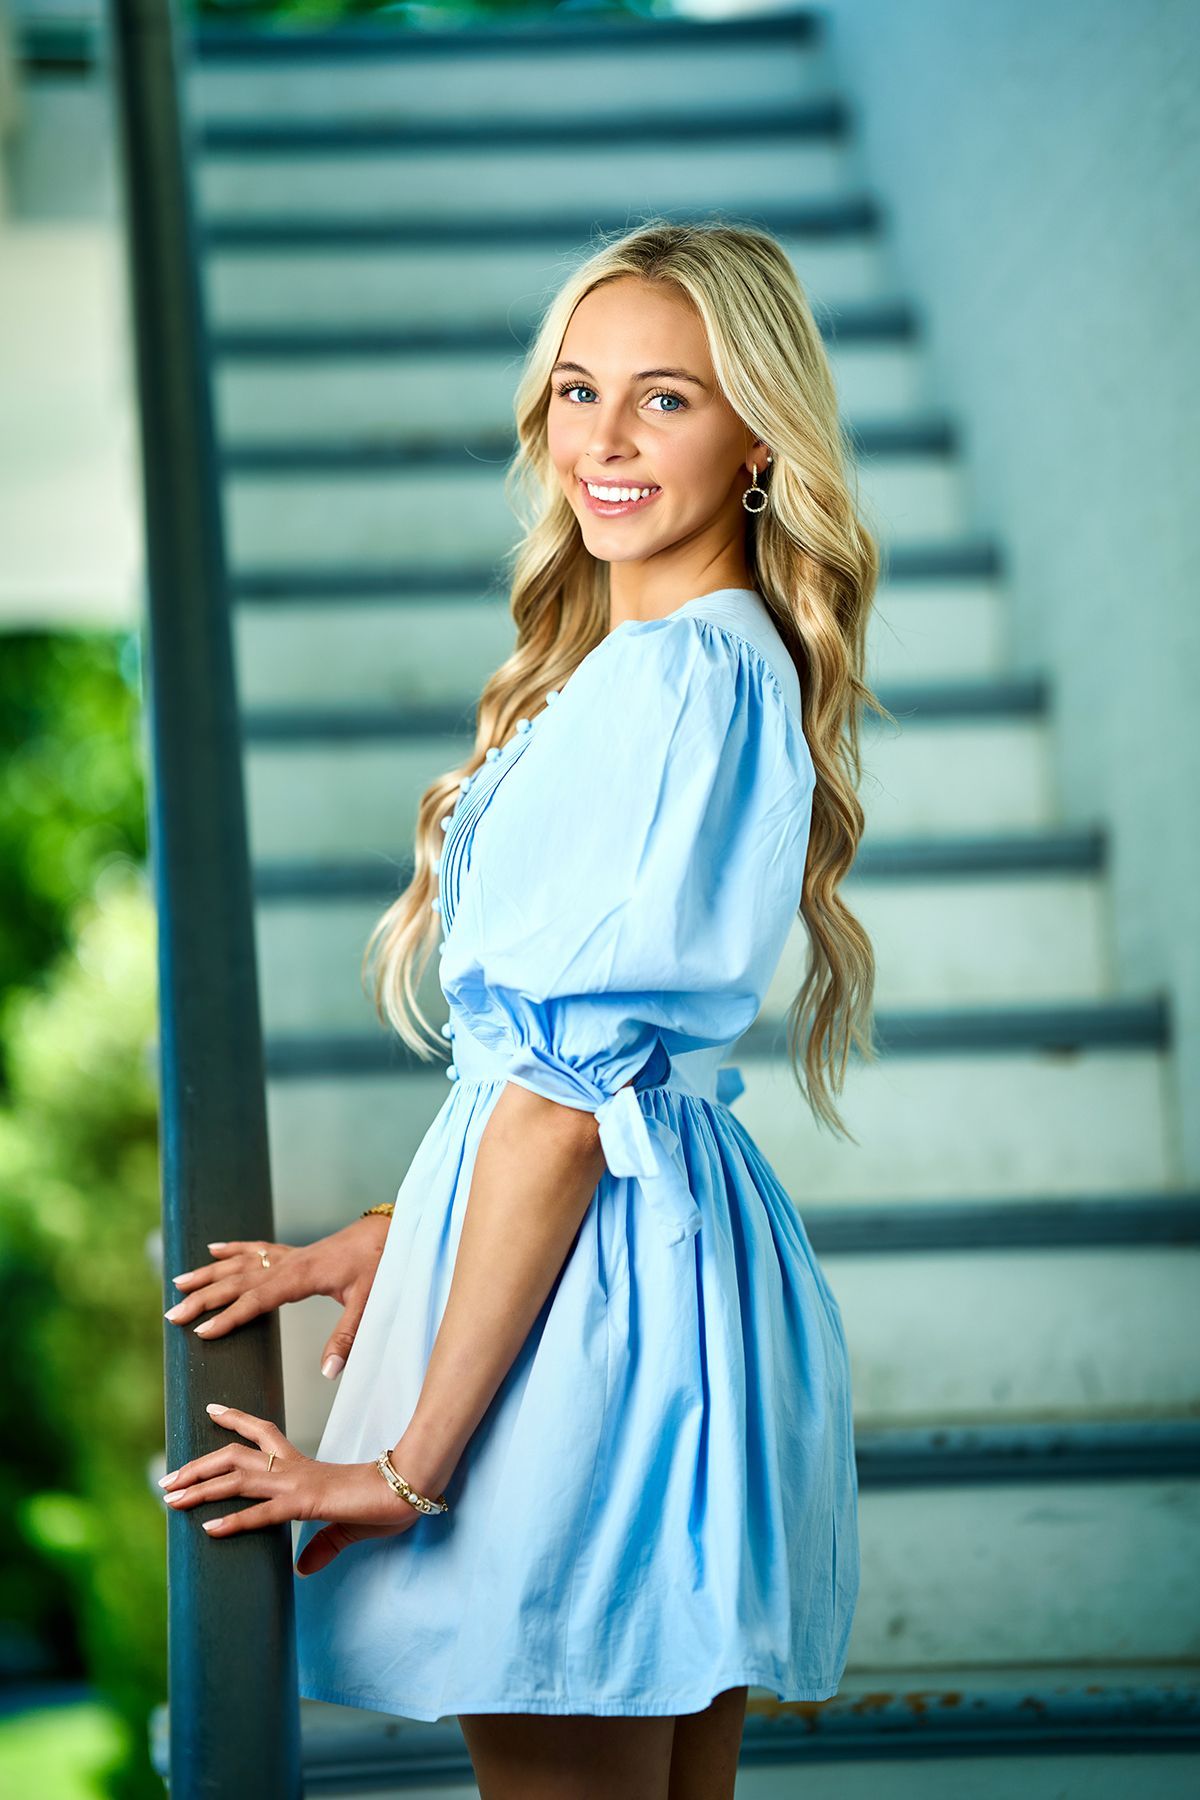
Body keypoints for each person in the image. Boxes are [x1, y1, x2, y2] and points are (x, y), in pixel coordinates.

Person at [160, 217, 886, 1800]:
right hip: (654, 1270)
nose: (603, 441)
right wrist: (396, 1233)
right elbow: (578, 1082)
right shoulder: (716, 662)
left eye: (667, 398)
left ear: (763, 435)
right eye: (576, 389)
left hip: (594, 1323)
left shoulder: (672, 680)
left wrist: (403, 1469)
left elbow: (561, 1103)